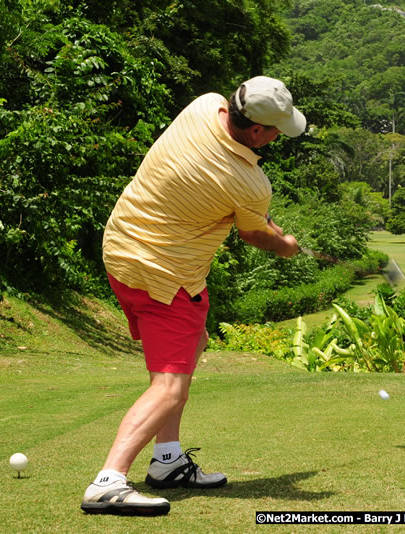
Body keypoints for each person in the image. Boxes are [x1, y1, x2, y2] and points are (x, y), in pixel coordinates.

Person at [81, 76, 306, 516]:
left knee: (193, 344)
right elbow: (256, 234)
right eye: (277, 128)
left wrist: (262, 223)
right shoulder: (250, 181)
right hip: (165, 278)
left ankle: (168, 462)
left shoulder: (203, 107)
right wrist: (286, 246)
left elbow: (242, 212)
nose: (279, 135)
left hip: (122, 250)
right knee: (169, 387)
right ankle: (107, 482)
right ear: (258, 131)